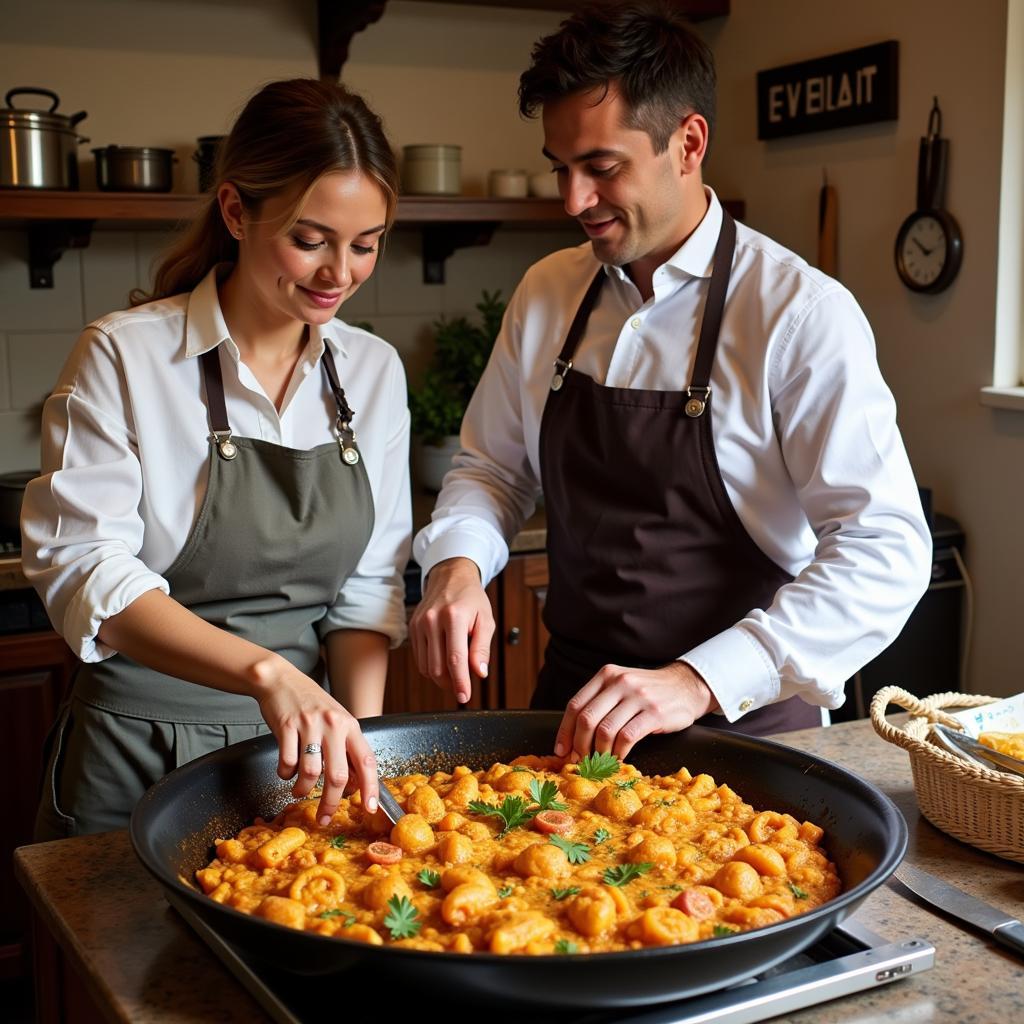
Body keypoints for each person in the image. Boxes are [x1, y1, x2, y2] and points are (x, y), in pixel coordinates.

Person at [410, 1, 932, 760]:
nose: (573, 201)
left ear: (688, 143)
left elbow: (884, 548)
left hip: (743, 735)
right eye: (562, 168)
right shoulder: (548, 291)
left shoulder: (799, 313)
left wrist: (698, 678)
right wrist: (456, 567)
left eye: (602, 167)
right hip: (569, 722)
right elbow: (491, 469)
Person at [23, 79, 412, 839]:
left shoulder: (372, 371)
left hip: (300, 764)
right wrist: (269, 674)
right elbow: (88, 568)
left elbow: (368, 590)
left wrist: (365, 747)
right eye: (310, 240)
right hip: (134, 752)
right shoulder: (125, 355)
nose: (340, 273)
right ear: (236, 211)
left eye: (365, 245)